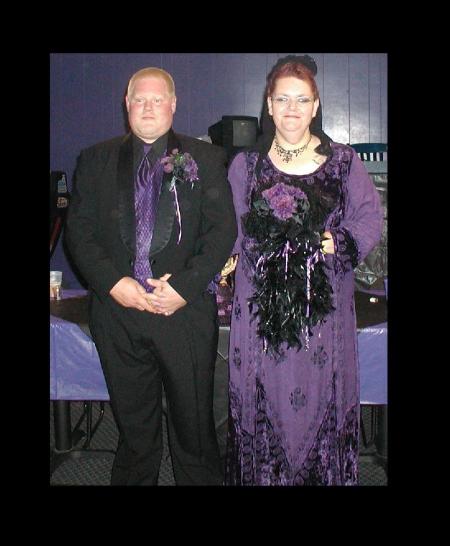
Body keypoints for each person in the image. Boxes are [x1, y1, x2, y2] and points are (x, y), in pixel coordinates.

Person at [65, 67, 237, 485]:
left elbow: (222, 233)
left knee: (194, 434)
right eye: (139, 99)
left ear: (173, 105)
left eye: (157, 99)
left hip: (184, 315)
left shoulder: (207, 158)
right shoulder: (95, 158)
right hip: (119, 316)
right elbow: (79, 232)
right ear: (127, 105)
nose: (147, 107)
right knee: (135, 432)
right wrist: (112, 282)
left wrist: (183, 287)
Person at [224, 56, 383, 485]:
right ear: (269, 106)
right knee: (261, 405)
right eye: (282, 99)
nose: (291, 108)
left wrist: (341, 240)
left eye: (302, 99)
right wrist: (216, 266)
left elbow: (369, 218)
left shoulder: (344, 163)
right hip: (260, 314)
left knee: (321, 404)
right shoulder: (245, 167)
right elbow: (229, 232)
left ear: (315, 106)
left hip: (324, 315)